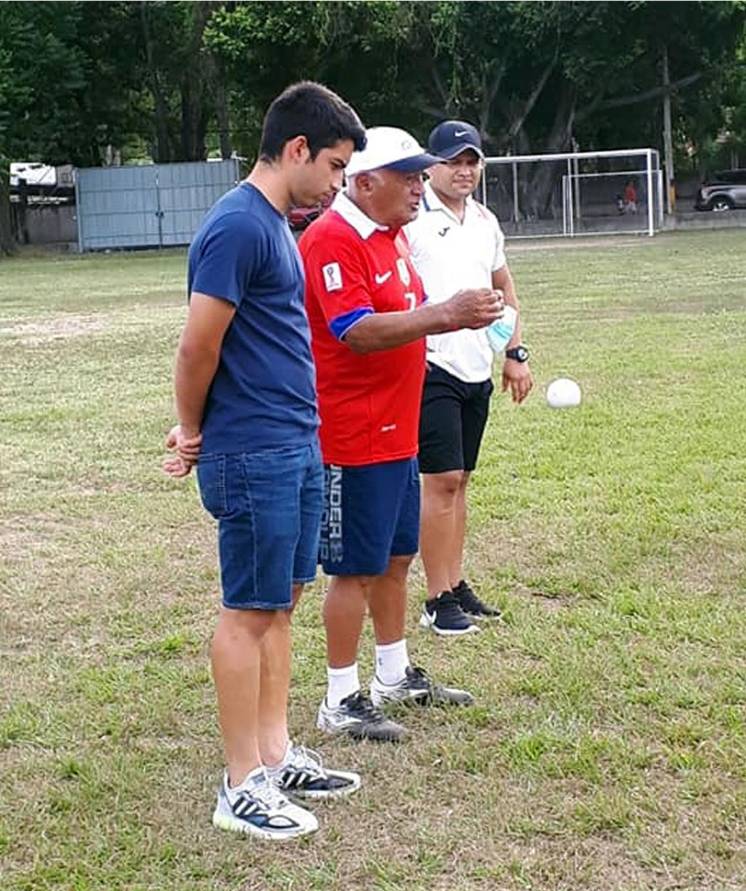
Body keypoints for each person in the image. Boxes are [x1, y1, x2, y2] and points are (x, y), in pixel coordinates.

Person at [163, 82, 366, 841]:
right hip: (253, 453)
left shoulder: (280, 223)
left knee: (280, 602)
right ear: (296, 151)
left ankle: (275, 755)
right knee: (247, 612)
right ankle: (240, 781)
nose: (339, 183)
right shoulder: (238, 227)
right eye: (337, 167)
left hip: (296, 443)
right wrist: (190, 430)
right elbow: (197, 344)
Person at [299, 127, 504, 742]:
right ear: (364, 182)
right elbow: (355, 330)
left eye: (421, 175)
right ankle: (340, 698)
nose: (420, 187)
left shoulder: (389, 238)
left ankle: (392, 674)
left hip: (395, 427)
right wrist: (446, 314)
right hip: (351, 431)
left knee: (395, 557)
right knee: (353, 570)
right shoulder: (333, 239)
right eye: (408, 177)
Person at [404, 120, 534, 637]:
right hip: (430, 364)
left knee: (461, 482)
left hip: (476, 365)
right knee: (441, 481)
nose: (463, 171)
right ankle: (436, 599)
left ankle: (455, 584)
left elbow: (506, 291)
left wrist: (515, 352)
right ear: (430, 165)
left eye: (471, 161)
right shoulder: (411, 219)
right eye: (453, 161)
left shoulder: (484, 221)